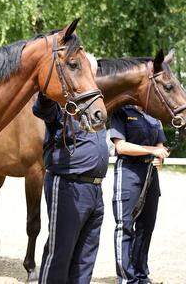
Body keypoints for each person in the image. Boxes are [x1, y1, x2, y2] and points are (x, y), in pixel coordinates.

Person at [35, 57, 109, 284]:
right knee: (60, 252)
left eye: (91, 73)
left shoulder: (95, 103)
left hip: (95, 189)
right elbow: (41, 107)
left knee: (85, 257)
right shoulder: (61, 102)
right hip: (68, 185)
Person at [110, 105, 169, 284]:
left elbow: (160, 145)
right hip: (129, 171)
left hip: (151, 174)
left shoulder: (154, 114)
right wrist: (152, 151)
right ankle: (127, 279)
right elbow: (121, 146)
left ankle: (141, 275)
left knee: (146, 226)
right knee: (125, 226)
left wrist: (161, 156)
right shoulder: (121, 112)